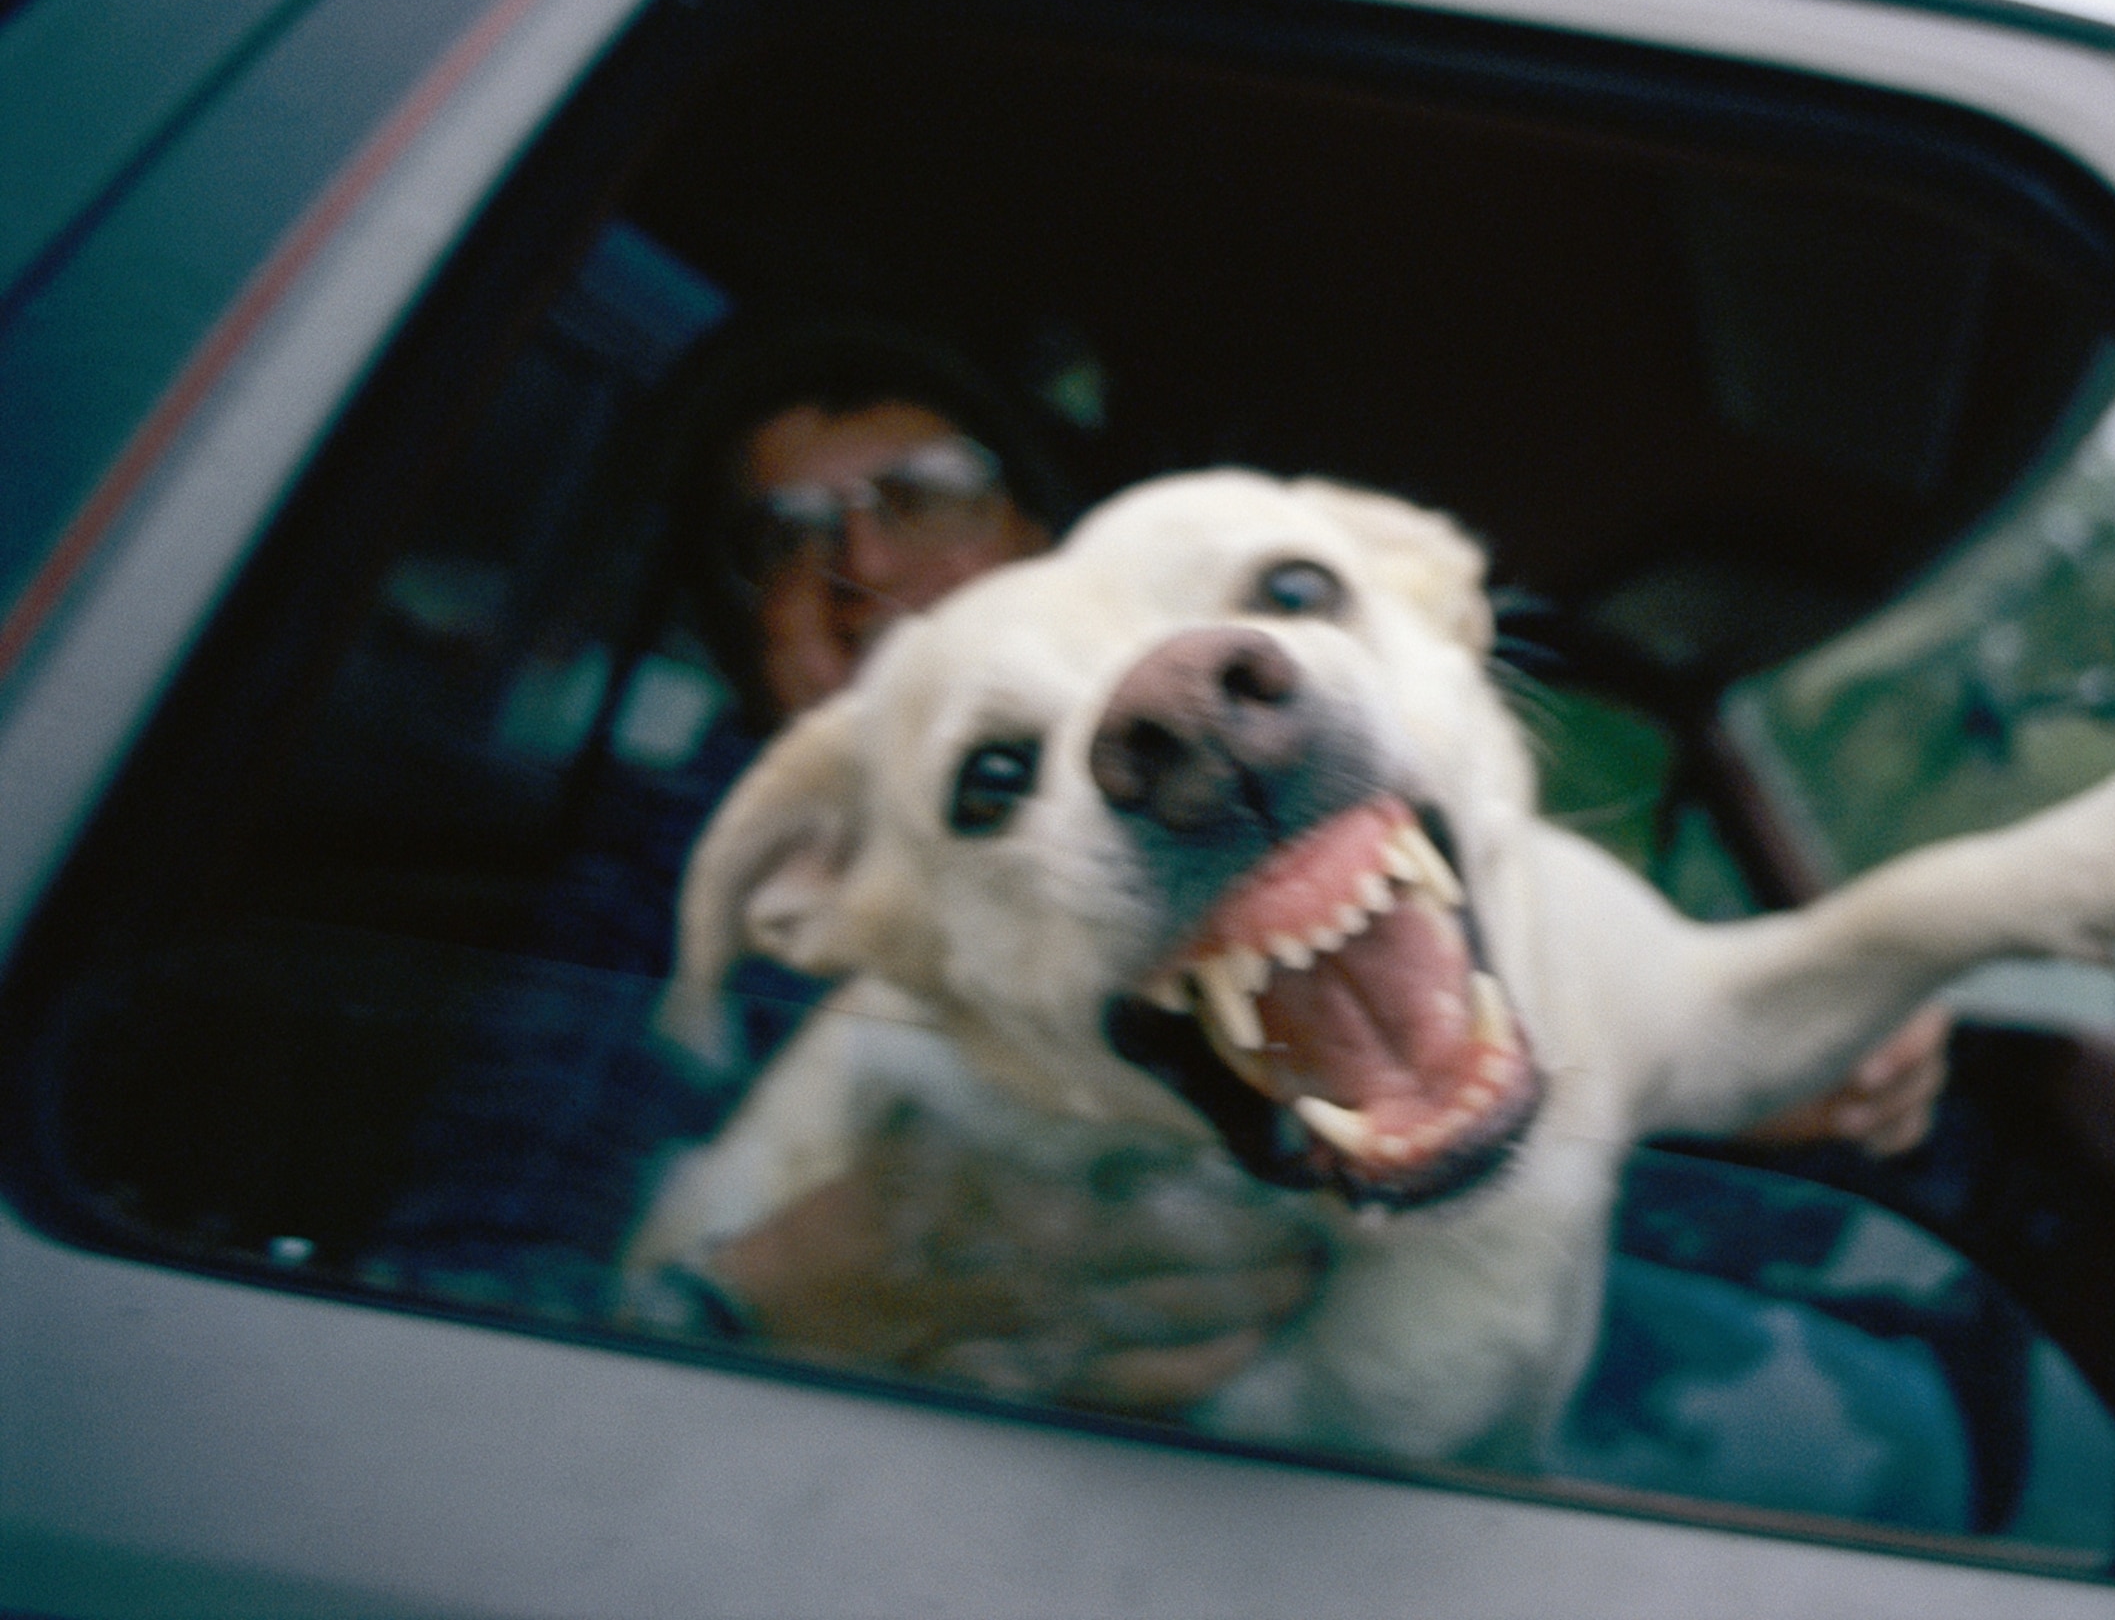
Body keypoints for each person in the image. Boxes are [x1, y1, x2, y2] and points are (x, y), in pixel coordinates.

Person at [376, 316, 1963, 1427]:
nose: (861, 561)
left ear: (1048, 532)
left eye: (920, 491)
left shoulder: (1284, 752)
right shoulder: (654, 888)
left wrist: (1761, 1061)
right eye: (780, 537)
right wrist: (780, 1299)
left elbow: (1529, 1038)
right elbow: (462, 1308)